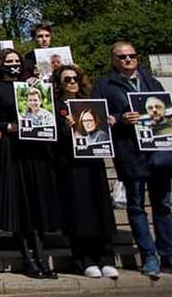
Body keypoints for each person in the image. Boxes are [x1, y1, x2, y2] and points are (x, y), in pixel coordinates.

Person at [92, 40, 172, 278]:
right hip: (129, 151)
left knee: (163, 205)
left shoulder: (152, 82)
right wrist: (120, 118)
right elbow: (97, 117)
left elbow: (165, 113)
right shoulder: (105, 85)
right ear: (113, 60)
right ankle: (149, 255)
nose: (128, 60)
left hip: (158, 152)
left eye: (131, 56)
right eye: (122, 57)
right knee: (136, 205)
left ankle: (167, 253)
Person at [0, 48, 61, 279]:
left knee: (37, 204)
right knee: (21, 204)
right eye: (9, 61)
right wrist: (7, 127)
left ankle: (41, 259)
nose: (13, 64)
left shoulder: (30, 87)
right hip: (13, 149)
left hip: (36, 150)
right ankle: (28, 259)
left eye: (17, 61)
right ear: (1, 64)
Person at [53, 64, 118, 279]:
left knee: (101, 209)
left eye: (75, 79)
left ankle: (106, 257)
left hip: (93, 163)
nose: (72, 82)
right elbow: (52, 138)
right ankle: (84, 258)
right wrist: (65, 127)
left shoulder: (91, 102)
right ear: (59, 83)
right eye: (67, 79)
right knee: (79, 212)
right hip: (70, 166)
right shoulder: (56, 105)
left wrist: (107, 123)